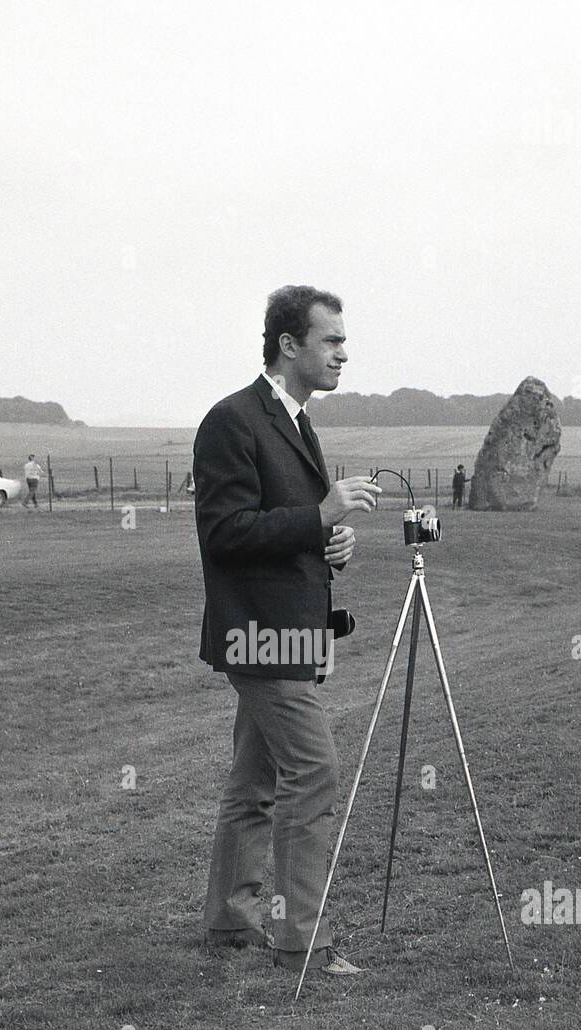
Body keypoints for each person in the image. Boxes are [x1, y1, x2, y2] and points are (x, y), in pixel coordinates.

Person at [193, 285, 381, 977]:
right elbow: (224, 532)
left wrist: (330, 537)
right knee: (314, 769)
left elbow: (290, 522)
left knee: (255, 784)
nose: (343, 353)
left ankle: (229, 924)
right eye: (331, 341)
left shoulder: (297, 421)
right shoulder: (232, 421)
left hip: (297, 634)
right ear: (289, 345)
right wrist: (320, 513)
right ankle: (305, 940)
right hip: (257, 636)